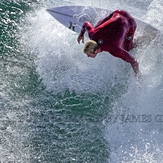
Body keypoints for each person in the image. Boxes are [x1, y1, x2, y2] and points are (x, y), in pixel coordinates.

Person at [77, 10, 139, 75]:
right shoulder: (92, 34)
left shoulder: (113, 48)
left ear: (96, 51)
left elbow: (133, 61)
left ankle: (144, 38)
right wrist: (81, 34)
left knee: (128, 48)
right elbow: (85, 23)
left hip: (130, 22)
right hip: (118, 12)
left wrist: (138, 75)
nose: (88, 56)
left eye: (88, 54)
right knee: (96, 28)